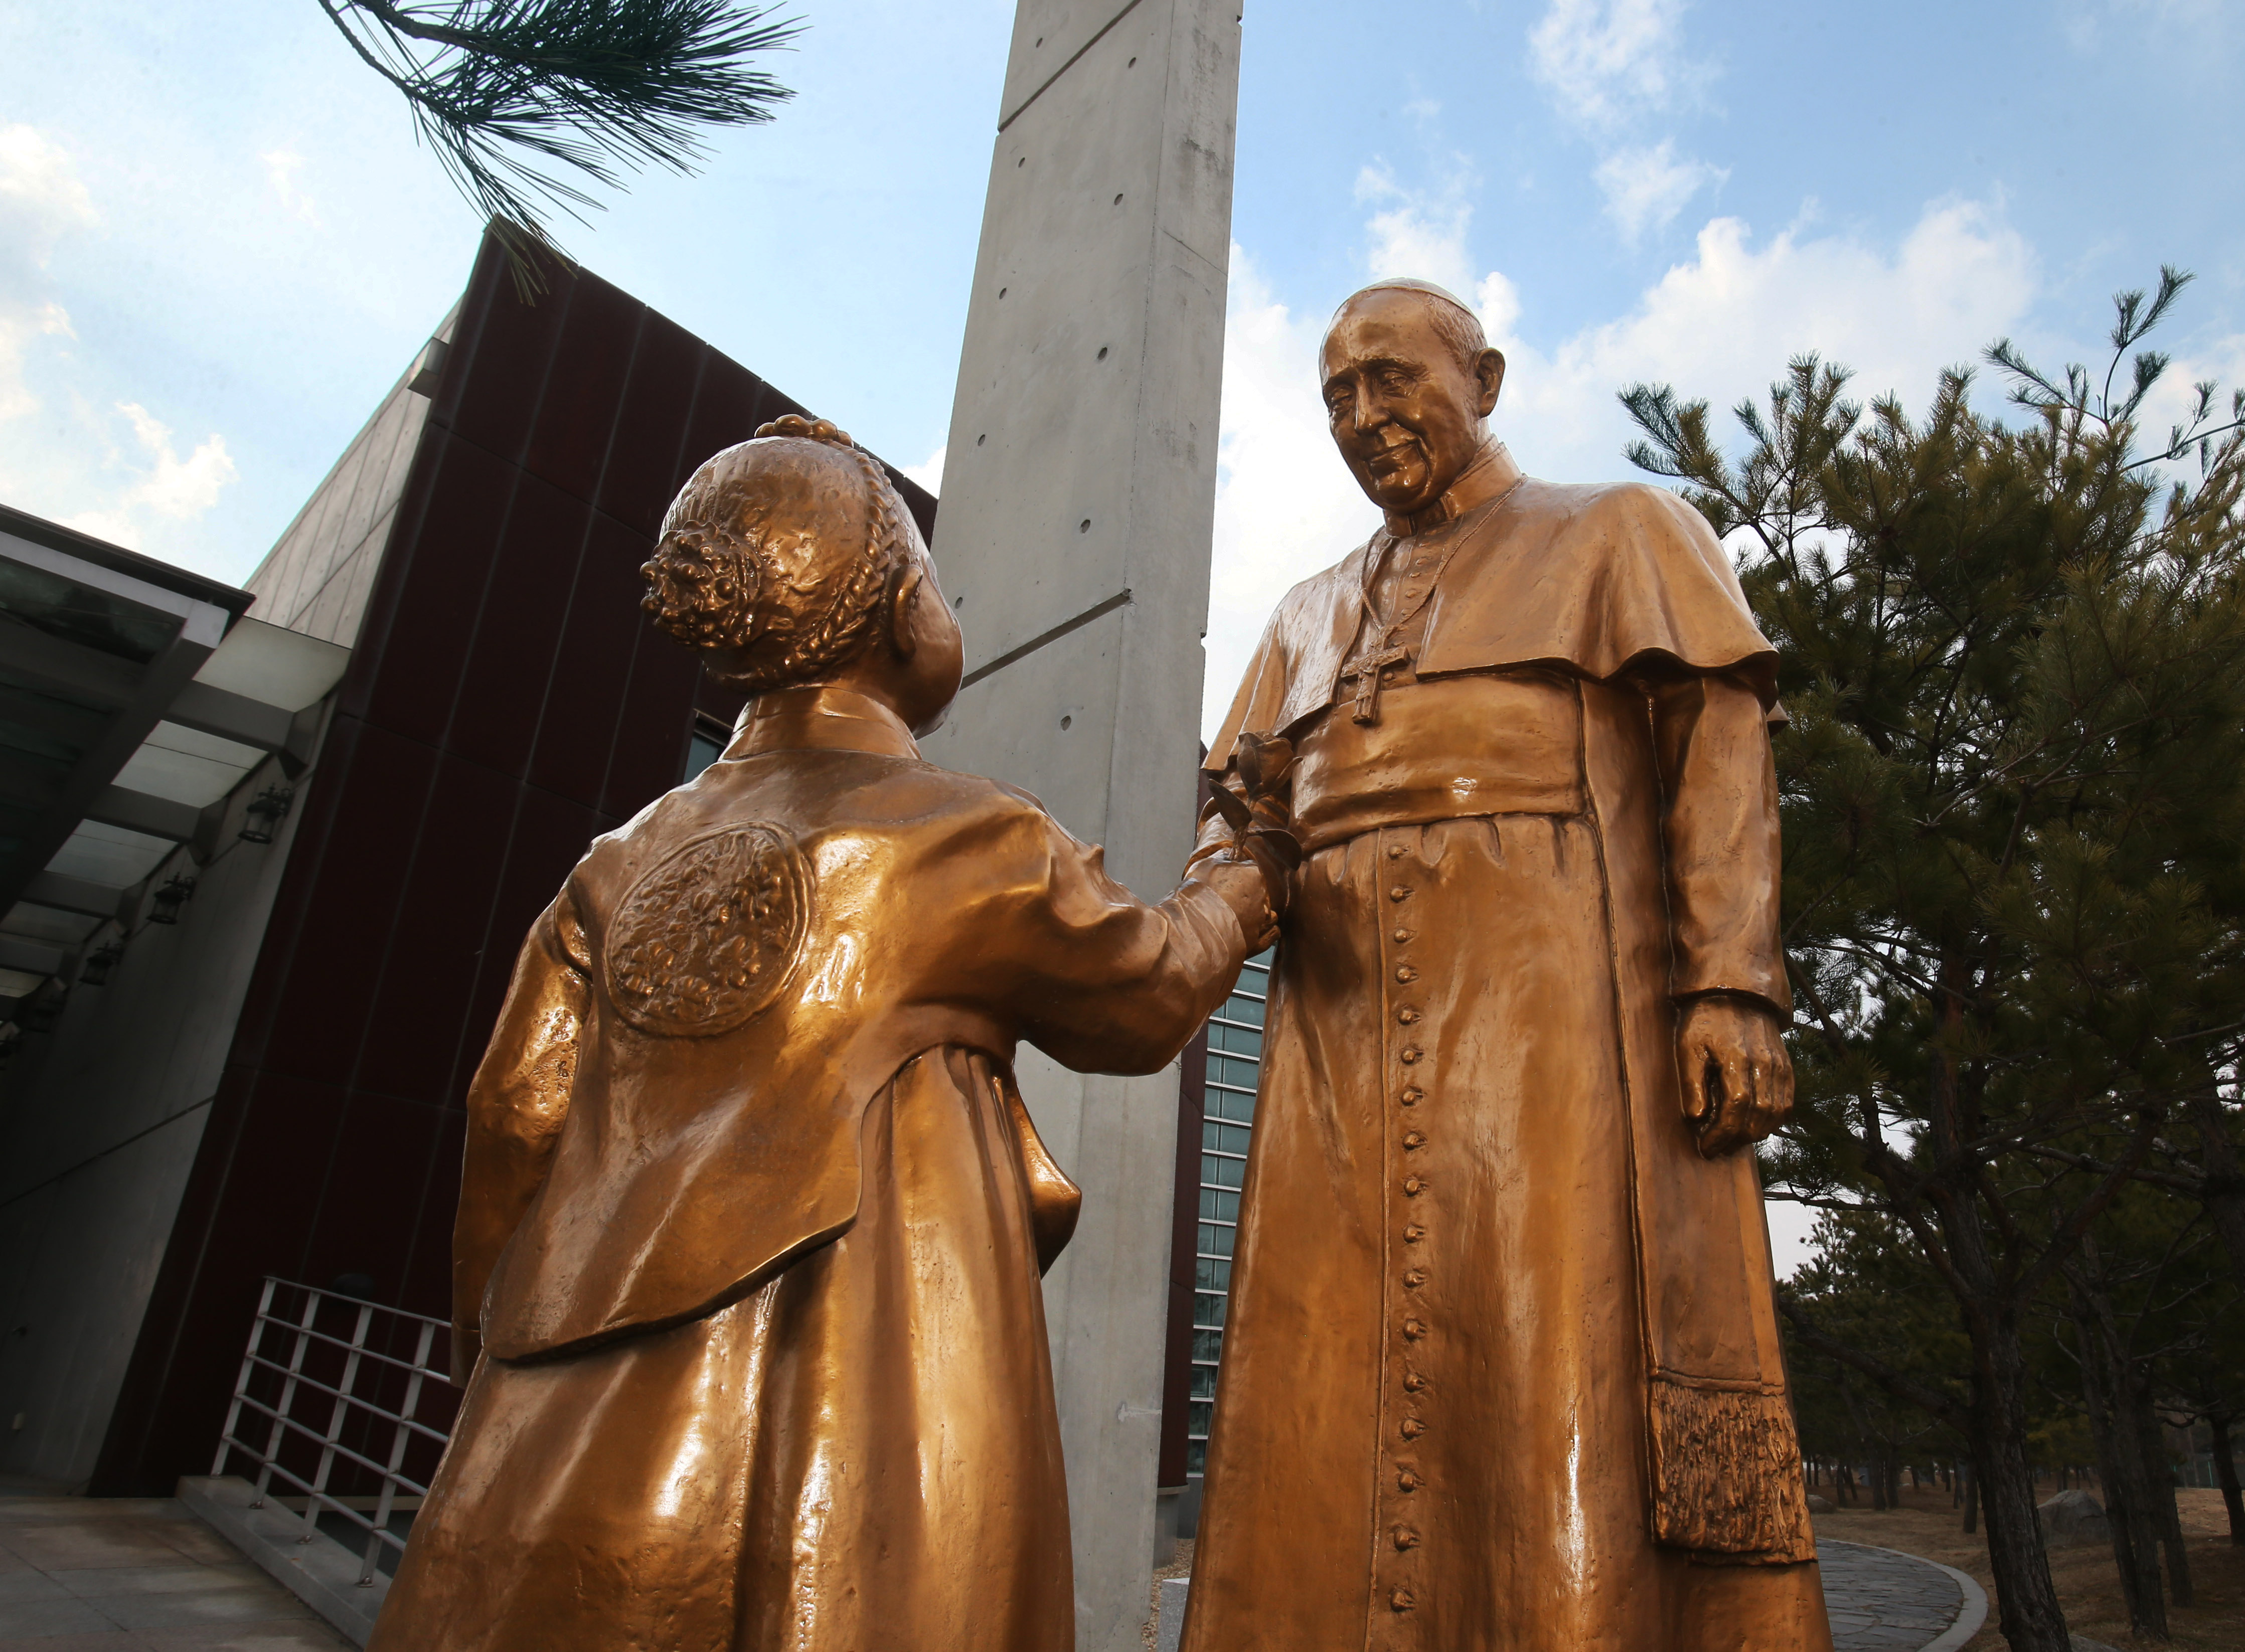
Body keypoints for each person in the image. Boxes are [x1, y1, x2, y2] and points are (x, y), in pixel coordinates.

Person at [369, 416, 1284, 1652]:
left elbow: (512, 1120)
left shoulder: (612, 867)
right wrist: (1247, 875)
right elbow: (1153, 992)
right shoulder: (962, 839)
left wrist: (502, 1357)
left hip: (552, 1446)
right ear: (910, 613)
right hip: (853, 1417)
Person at [1179, 282, 1836, 1650]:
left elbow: (1716, 746)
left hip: (1550, 1024)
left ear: (1479, 376)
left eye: (1389, 379)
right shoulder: (1304, 613)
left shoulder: (1618, 530)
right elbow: (1247, 823)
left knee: (1549, 1372)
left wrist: (1729, 982)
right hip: (1335, 1058)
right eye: (1335, 397)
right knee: (1326, 1386)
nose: (1362, 417)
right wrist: (1192, 929)